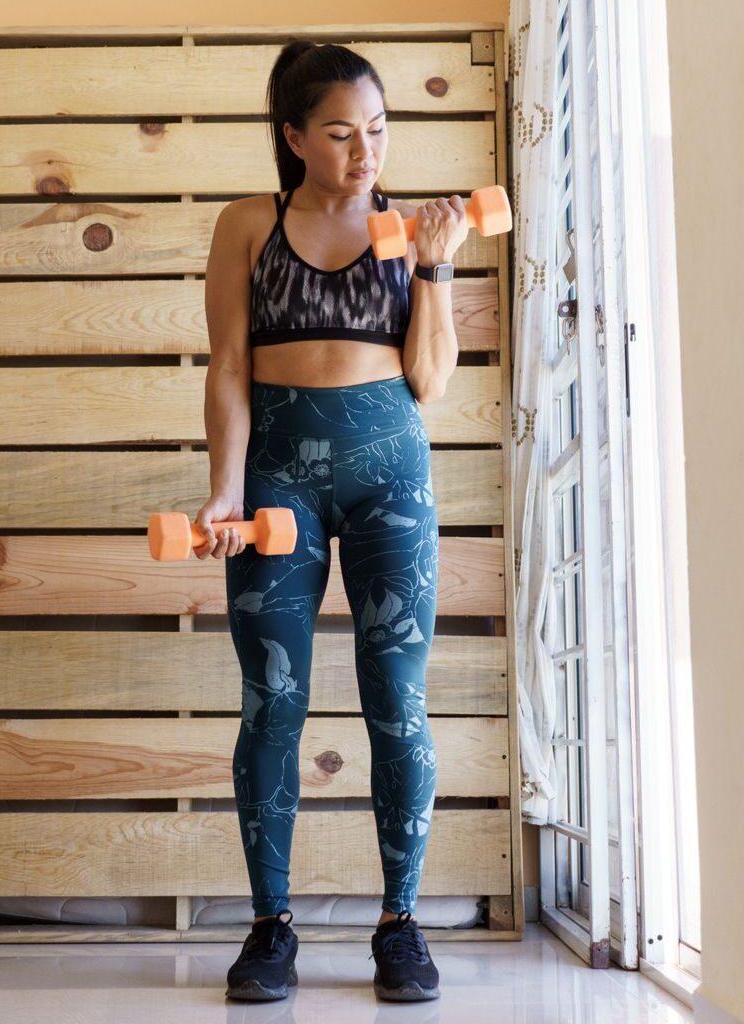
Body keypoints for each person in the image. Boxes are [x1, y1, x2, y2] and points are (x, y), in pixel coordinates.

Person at [199, 39, 468, 1003]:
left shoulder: (409, 231)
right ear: (294, 137)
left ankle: (400, 923)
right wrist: (226, 489)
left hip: (391, 474)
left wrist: (436, 272)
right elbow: (229, 366)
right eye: (344, 134)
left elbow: (430, 381)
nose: (367, 154)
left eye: (381, 132)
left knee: (397, 698)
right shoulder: (245, 226)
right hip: (278, 476)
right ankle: (271, 927)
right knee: (273, 701)